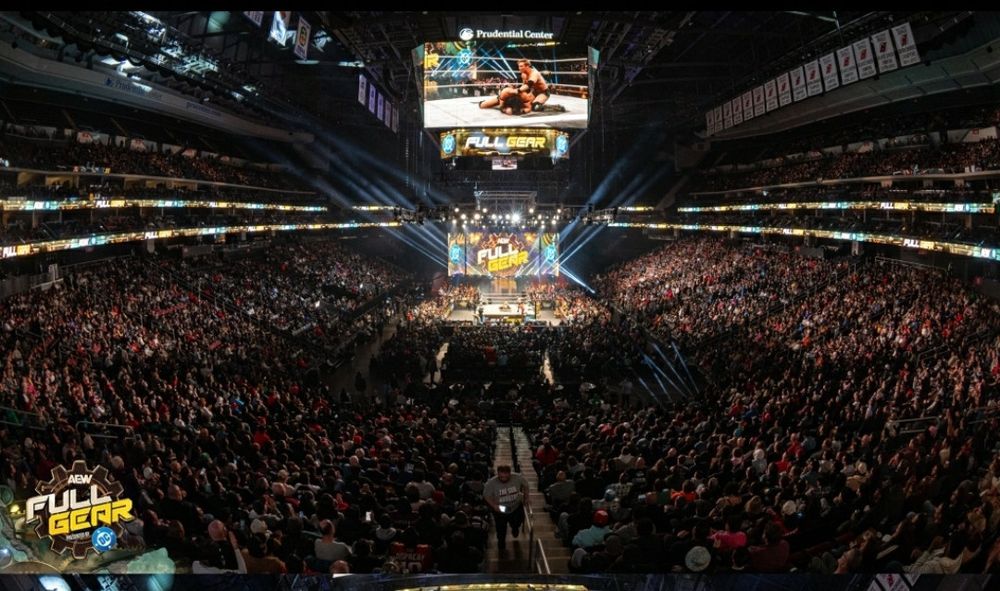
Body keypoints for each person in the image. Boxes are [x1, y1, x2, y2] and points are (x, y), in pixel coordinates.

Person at [483, 464, 530, 552]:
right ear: (498, 474)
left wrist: (526, 497)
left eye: (506, 477)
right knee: (501, 529)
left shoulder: (517, 477)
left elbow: (526, 485)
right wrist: (494, 505)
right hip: (501, 509)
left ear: (510, 474)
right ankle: (501, 545)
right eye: (501, 477)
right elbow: (486, 495)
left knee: (517, 522)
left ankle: (515, 528)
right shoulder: (491, 483)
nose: (503, 479)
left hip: (515, 507)